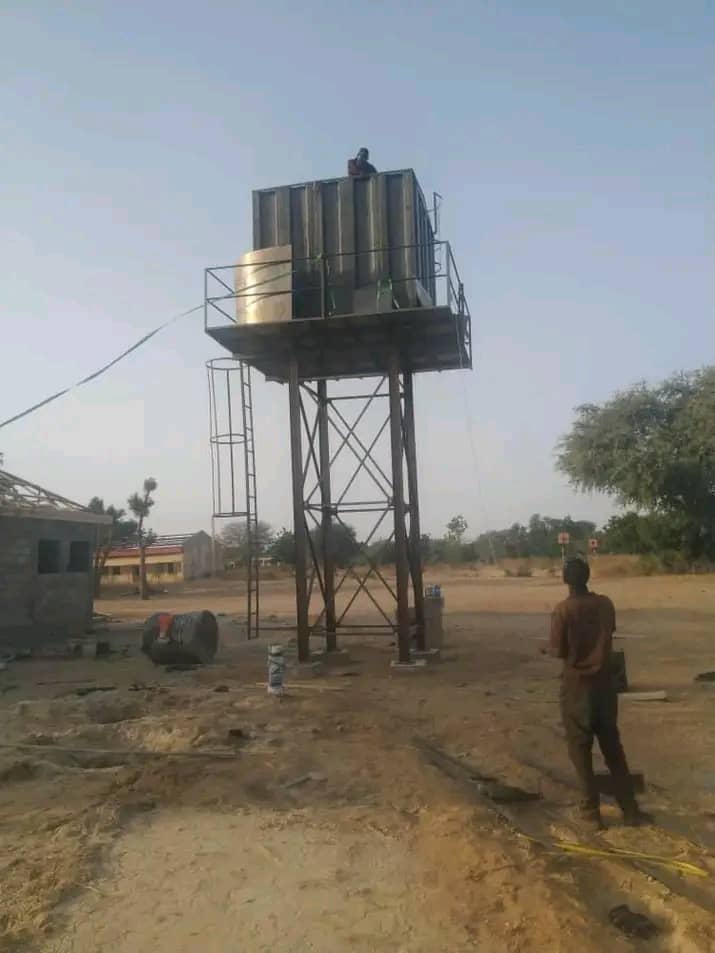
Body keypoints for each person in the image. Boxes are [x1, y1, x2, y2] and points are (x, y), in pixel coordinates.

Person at [549, 557, 654, 829]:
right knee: (613, 750)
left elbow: (559, 651)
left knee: (581, 751)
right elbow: (606, 635)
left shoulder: (563, 611)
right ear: (587, 576)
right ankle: (630, 810)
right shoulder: (606, 604)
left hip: (576, 688)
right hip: (605, 687)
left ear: (565, 579)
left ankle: (590, 813)